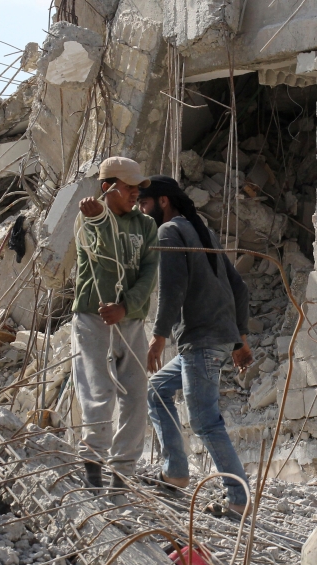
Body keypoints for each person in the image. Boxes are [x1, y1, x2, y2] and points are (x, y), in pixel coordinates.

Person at [139, 175, 254, 519]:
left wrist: (158, 337)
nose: (142, 211)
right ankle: (175, 470)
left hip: (201, 340)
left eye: (144, 203)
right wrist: (239, 339)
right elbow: (240, 287)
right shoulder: (203, 231)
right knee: (157, 390)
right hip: (214, 337)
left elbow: (172, 288)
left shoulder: (169, 233)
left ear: (162, 201)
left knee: (204, 420)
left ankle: (239, 496)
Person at [71, 157, 159, 489]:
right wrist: (96, 219)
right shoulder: (88, 219)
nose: (136, 192)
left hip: (131, 322)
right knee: (99, 392)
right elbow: (99, 251)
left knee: (136, 396)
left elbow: (149, 273)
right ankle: (93, 467)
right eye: (129, 186)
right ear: (108, 187)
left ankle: (122, 474)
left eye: (138, 187)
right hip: (93, 321)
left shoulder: (146, 226)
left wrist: (127, 307)